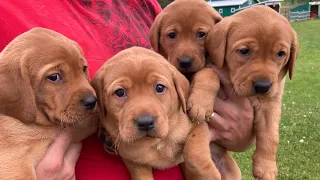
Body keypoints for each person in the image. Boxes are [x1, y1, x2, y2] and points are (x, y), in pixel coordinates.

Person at [0, 0, 254, 179]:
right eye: (55, 76)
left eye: (85, 70)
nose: (91, 94)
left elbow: (173, 79)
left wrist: (242, 133)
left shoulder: (143, 4)